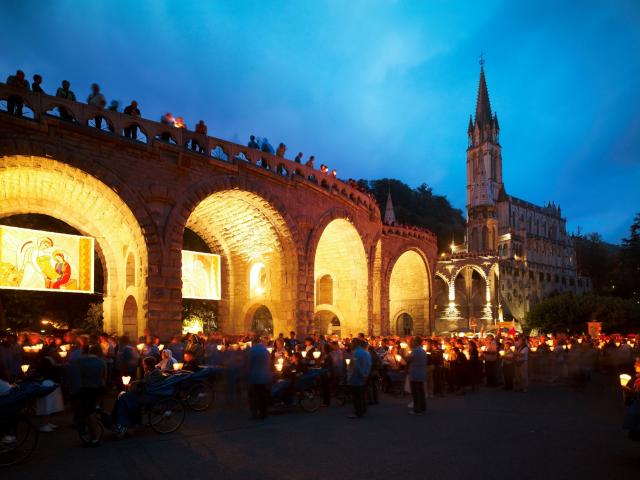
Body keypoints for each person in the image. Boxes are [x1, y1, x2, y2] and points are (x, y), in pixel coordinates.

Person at [111, 356, 164, 437]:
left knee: (125, 399)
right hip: (143, 392)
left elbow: (148, 384)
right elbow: (143, 382)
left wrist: (137, 383)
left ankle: (125, 423)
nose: (143, 366)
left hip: (149, 395)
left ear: (148, 365)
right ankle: (119, 421)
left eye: (144, 364)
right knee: (122, 396)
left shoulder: (156, 373)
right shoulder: (148, 372)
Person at [68, 344, 106, 447]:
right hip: (98, 389)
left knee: (89, 413)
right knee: (91, 411)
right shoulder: (101, 362)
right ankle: (94, 429)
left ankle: (95, 438)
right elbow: (104, 377)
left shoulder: (81, 362)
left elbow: (77, 376)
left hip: (86, 389)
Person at [247, 337, 272, 420]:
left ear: (253, 342)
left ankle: (255, 412)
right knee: (263, 396)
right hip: (264, 376)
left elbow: (249, 363)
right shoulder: (265, 350)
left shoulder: (252, 350)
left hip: (254, 377)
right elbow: (269, 363)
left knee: (255, 396)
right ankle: (264, 413)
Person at [347, 338, 371, 419]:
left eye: (351, 343)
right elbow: (368, 364)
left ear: (354, 344)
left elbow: (356, 366)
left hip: (357, 377)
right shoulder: (366, 352)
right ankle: (363, 410)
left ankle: (358, 412)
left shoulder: (356, 353)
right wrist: (366, 374)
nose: (350, 345)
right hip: (364, 375)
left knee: (357, 396)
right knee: (362, 395)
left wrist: (362, 375)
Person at [407, 337, 427, 415]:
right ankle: (422, 408)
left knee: (416, 392)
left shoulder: (415, 351)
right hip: (421, 373)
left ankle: (417, 409)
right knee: (421, 392)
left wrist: (408, 355)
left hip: (415, 374)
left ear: (416, 342)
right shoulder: (422, 350)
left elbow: (409, 359)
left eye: (414, 341)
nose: (412, 343)